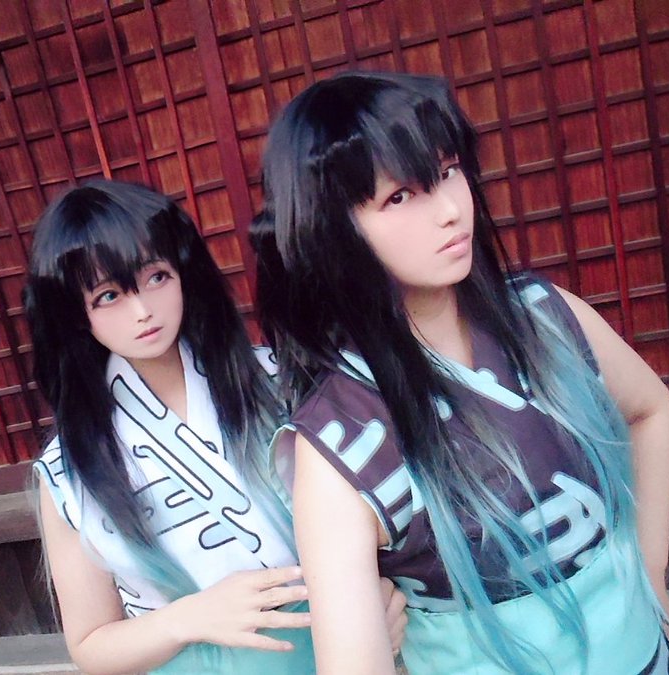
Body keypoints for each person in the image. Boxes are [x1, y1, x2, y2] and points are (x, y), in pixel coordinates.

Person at [254, 71, 669, 674]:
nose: (451, 210)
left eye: (448, 171)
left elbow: (650, 409)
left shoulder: (544, 317)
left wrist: (652, 571)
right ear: (331, 229)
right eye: (400, 197)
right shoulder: (342, 442)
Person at [24, 180, 403, 674]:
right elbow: (91, 645)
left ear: (184, 272)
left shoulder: (282, 383)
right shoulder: (69, 467)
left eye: (157, 277)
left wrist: (378, 599)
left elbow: (382, 518)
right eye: (109, 295)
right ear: (75, 315)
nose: (142, 311)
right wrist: (190, 617)